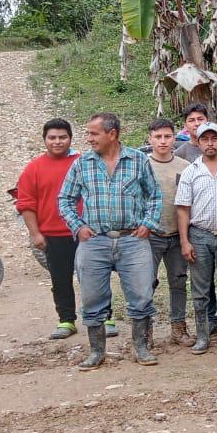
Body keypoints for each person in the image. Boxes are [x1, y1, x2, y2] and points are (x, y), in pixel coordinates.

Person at [58, 112, 162, 370]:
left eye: (94, 133)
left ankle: (141, 347)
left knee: (141, 296)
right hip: (94, 242)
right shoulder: (82, 164)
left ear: (112, 133)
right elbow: (65, 200)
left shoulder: (138, 160)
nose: (89, 138)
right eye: (89, 133)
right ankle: (96, 352)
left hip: (132, 241)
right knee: (92, 298)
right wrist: (78, 227)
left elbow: (155, 197)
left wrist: (147, 225)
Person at [175, 121, 217, 354]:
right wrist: (185, 241)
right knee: (200, 290)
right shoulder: (190, 171)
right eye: (205, 139)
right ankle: (203, 335)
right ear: (199, 142)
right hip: (200, 235)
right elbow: (183, 208)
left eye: (215, 139)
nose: (210, 143)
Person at [14, 118, 80, 340]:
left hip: (85, 232)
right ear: (44, 140)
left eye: (62, 137)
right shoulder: (34, 168)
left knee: (94, 276)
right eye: (52, 138)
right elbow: (25, 203)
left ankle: (104, 316)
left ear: (70, 138)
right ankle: (66, 320)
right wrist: (35, 234)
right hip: (53, 234)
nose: (57, 142)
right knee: (60, 280)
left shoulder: (82, 162)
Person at [146, 119, 193, 345]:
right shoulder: (142, 165)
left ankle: (178, 328)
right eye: (158, 137)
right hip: (150, 234)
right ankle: (145, 332)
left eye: (167, 136)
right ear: (150, 139)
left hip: (178, 234)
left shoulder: (185, 166)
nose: (163, 141)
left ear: (175, 138)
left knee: (178, 281)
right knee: (146, 283)